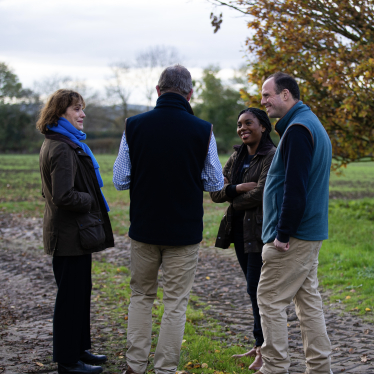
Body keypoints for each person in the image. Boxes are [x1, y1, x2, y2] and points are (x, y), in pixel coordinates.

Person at [113, 64, 224, 374]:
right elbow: (215, 182)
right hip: (184, 232)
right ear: (190, 94)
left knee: (141, 296)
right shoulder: (204, 130)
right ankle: (164, 369)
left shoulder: (133, 126)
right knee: (175, 302)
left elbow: (121, 180)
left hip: (144, 228)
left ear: (158, 91)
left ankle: (135, 366)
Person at [255, 72, 332, 374]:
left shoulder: (299, 129)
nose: (263, 102)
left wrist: (282, 234)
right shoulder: (309, 124)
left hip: (294, 237)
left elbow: (295, 189)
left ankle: (274, 368)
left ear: (285, 95)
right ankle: (320, 368)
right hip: (308, 234)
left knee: (270, 299)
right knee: (307, 302)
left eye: (267, 95)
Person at [37, 89, 114, 374]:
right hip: (68, 236)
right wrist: (91, 198)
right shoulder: (61, 147)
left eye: (82, 109)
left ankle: (80, 350)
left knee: (80, 293)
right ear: (60, 113)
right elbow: (63, 196)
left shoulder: (65, 142)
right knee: (70, 299)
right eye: (77, 109)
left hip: (76, 235)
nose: (82, 115)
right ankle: (68, 362)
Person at [210, 108, 276, 370]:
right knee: (253, 290)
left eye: (248, 123)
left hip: (259, 234)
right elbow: (215, 191)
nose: (242, 128)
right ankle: (260, 345)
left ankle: (265, 350)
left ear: (263, 126)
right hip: (237, 233)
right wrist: (236, 188)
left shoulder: (271, 155)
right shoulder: (237, 156)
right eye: (239, 124)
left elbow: (262, 193)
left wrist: (232, 198)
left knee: (257, 290)